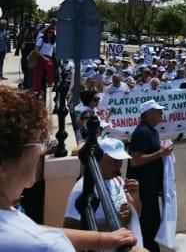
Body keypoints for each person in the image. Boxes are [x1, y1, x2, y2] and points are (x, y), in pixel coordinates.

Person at [0, 84, 140, 251]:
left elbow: (35, 231)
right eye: (38, 142)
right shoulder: (47, 246)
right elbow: (39, 238)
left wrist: (100, 239)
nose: (42, 150)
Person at [63, 138, 140, 236]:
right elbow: (70, 228)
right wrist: (111, 223)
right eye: (113, 161)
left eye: (120, 161)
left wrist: (136, 197)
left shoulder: (118, 180)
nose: (118, 165)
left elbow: (136, 215)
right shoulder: (83, 188)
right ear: (98, 159)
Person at [127, 99, 174, 250]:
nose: (161, 113)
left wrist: (161, 148)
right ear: (147, 114)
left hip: (150, 189)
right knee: (147, 227)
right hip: (143, 191)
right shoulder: (142, 132)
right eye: (158, 111)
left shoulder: (151, 130)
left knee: (153, 225)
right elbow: (135, 160)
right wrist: (161, 152)